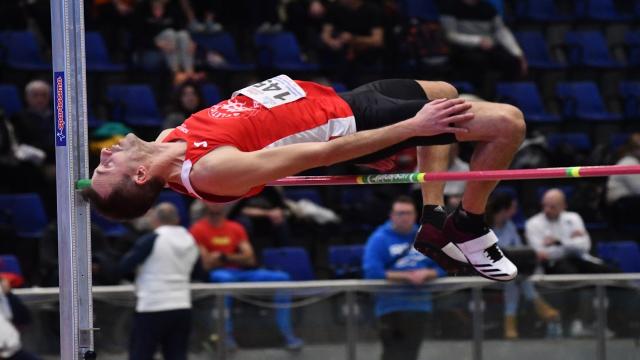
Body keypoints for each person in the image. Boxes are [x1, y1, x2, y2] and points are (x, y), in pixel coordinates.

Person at [83, 75, 526, 281]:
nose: (105, 155)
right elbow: (321, 151)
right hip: (350, 125)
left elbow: (267, 133)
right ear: (141, 174)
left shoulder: (166, 139)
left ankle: (432, 217)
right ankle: (469, 225)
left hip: (341, 100)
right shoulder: (211, 171)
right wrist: (414, 128)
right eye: (106, 166)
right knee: (509, 122)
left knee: (446, 91)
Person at [189, 201, 303, 351]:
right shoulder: (197, 229)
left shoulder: (236, 227)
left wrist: (223, 257)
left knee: (282, 278)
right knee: (226, 281)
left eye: (218, 201)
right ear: (204, 204)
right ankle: (226, 336)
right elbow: (207, 263)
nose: (216, 204)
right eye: (211, 201)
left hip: (241, 272)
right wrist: (236, 257)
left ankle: (286, 333)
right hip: (219, 274)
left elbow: (250, 258)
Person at [525, 188, 616, 337]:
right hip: (553, 265)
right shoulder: (533, 224)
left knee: (612, 274)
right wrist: (571, 243)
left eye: (552, 207)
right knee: (572, 276)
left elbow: (585, 245)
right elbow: (541, 253)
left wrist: (558, 242)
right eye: (544, 206)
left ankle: (609, 323)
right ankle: (576, 322)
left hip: (579, 259)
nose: (547, 210)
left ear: (563, 206)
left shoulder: (573, 218)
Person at [363, 196, 444, 360]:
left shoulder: (426, 236)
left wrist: (428, 274)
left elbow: (445, 265)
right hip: (390, 306)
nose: (404, 217)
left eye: (408, 213)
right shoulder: (379, 238)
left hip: (420, 305)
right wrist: (406, 277)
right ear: (391, 216)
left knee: (411, 353)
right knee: (392, 353)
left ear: (415, 215)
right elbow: (372, 271)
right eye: (400, 213)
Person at [117, 203, 199, 360]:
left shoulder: (152, 239)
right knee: (177, 355)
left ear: (155, 220)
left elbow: (124, 266)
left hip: (152, 305)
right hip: (182, 306)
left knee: (141, 355)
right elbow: (199, 271)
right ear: (177, 219)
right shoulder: (191, 240)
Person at [486, 192, 559, 339]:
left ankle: (510, 324)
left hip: (508, 271)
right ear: (503, 210)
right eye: (513, 208)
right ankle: (539, 305)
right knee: (514, 277)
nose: (515, 211)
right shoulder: (483, 226)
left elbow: (518, 249)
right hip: (484, 267)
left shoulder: (510, 226)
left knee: (514, 278)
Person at [439, 0, 526, 93]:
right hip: (462, 48)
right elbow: (451, 36)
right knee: (477, 62)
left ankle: (506, 95)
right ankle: (479, 96)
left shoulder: (488, 8)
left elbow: (501, 31)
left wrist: (517, 53)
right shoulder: (449, 8)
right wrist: (478, 41)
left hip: (488, 47)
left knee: (512, 61)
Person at [320, 0, 384, 86]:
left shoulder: (372, 9)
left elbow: (377, 40)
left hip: (365, 54)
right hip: (339, 51)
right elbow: (325, 34)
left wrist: (353, 39)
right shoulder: (334, 7)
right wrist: (332, 42)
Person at [606, 133, 640, 226]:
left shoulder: (635, 162)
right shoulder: (629, 163)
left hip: (630, 201)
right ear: (635, 149)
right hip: (621, 205)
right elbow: (638, 189)